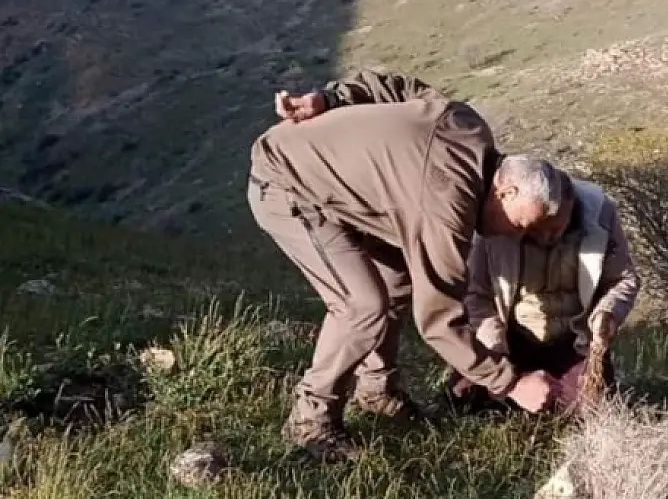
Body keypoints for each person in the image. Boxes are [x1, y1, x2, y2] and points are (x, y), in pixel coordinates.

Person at [248, 67, 571, 461]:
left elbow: (394, 87)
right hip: (286, 184)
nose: (515, 237)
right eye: (520, 224)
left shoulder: (468, 127)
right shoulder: (447, 205)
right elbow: (439, 320)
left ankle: (376, 391)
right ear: (506, 189)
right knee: (361, 307)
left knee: (398, 278)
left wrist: (330, 99)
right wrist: (511, 382)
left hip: (337, 190)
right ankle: (311, 422)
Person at [445, 170, 640, 416]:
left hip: (571, 338)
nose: (547, 237)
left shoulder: (600, 214)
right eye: (537, 228)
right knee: (464, 400)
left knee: (590, 408)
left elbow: (622, 279)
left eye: (557, 227)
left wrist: (607, 313)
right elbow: (475, 295)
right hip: (508, 334)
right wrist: (498, 357)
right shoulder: (493, 222)